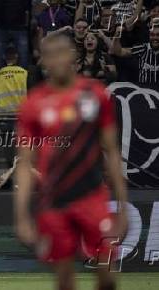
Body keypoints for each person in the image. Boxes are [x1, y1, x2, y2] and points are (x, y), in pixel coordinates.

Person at [14, 33, 128, 290]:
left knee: (107, 275)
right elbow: (24, 162)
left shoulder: (95, 95)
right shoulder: (33, 104)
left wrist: (122, 204)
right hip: (54, 203)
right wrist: (21, 216)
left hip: (93, 197)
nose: (56, 61)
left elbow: (111, 150)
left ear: (72, 57)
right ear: (43, 61)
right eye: (49, 56)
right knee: (65, 280)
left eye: (61, 54)